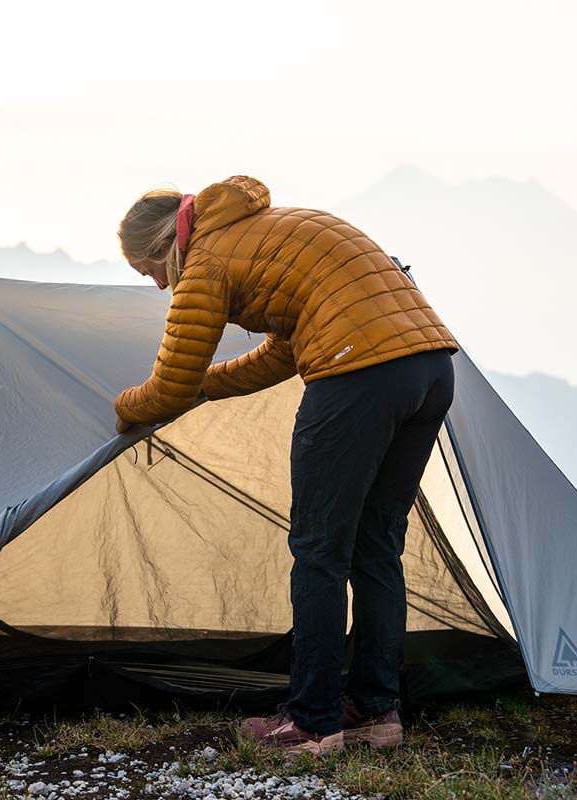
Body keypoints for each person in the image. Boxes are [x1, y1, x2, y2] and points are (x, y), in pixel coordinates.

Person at [113, 176, 459, 755]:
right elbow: (284, 351)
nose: (156, 285)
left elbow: (168, 384)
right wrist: (208, 387)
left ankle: (313, 722)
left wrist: (123, 407)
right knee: (376, 545)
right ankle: (377, 713)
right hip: (428, 369)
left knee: (319, 549)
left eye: (148, 271)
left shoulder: (206, 261)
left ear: (163, 247)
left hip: (358, 375)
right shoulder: (270, 229)